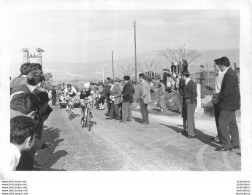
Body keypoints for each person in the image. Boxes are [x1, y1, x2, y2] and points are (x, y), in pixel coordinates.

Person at [214, 57, 240, 151]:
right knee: (232, 123)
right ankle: (235, 143)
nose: (219, 67)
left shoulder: (229, 75)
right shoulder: (231, 73)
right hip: (232, 103)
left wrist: (218, 97)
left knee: (222, 123)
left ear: (223, 65)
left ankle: (226, 144)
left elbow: (227, 91)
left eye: (219, 65)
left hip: (228, 103)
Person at [211, 58, 225, 143]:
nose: (214, 66)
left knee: (220, 118)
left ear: (219, 65)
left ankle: (222, 136)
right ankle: (219, 134)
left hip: (220, 98)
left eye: (215, 65)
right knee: (217, 117)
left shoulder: (223, 75)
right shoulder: (216, 75)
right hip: (215, 97)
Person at [181, 71, 197, 138]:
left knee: (190, 117)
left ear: (184, 76)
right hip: (186, 101)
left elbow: (194, 94)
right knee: (187, 117)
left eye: (182, 76)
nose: (181, 77)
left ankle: (191, 133)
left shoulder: (191, 83)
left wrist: (191, 101)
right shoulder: (185, 83)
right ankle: (191, 131)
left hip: (190, 101)